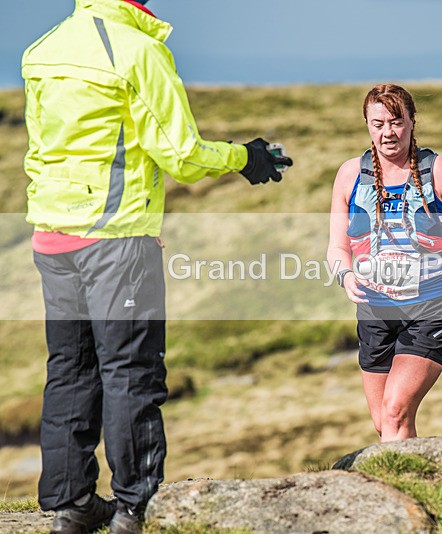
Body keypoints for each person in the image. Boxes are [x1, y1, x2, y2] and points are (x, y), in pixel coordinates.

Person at [21, 1, 292, 533]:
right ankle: (134, 506)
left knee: (70, 370)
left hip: (52, 237)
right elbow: (182, 154)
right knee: (130, 371)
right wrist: (246, 157)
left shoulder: (43, 48)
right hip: (117, 240)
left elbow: (42, 148)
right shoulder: (140, 51)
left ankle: (70, 503)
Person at [327, 84, 442, 443]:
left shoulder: (437, 169)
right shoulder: (350, 174)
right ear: (366, 124)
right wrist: (345, 274)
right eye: (377, 123)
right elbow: (336, 248)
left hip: (433, 306)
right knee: (386, 423)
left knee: (396, 410)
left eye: (396, 122)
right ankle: (416, 484)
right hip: (375, 312)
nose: (387, 133)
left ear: (413, 121)